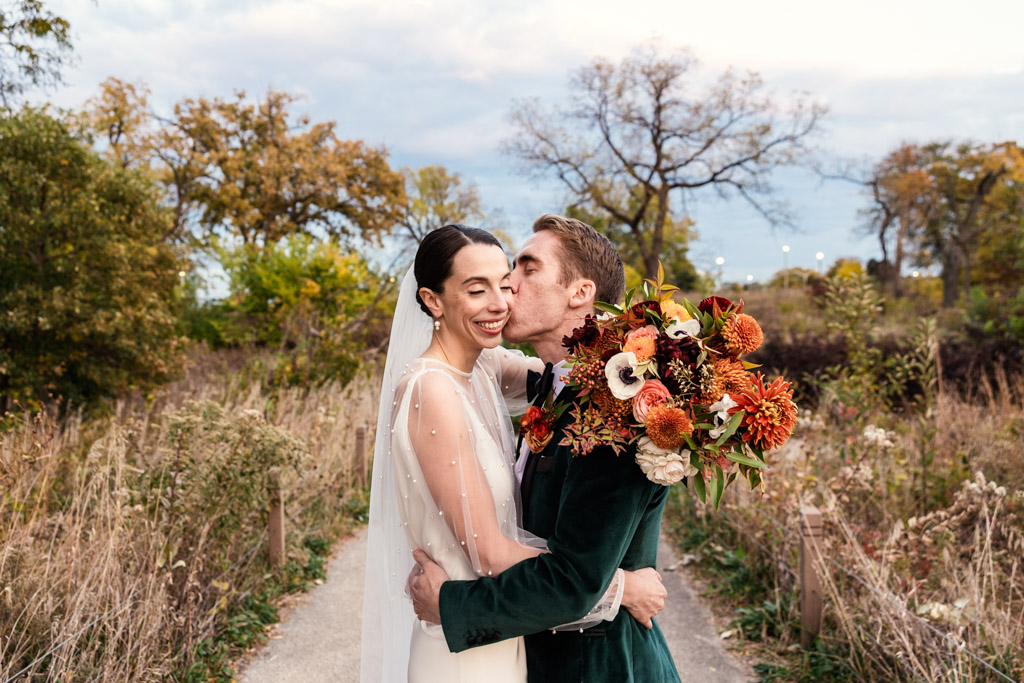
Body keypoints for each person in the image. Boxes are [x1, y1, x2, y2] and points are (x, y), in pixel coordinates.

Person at [360, 224, 666, 683]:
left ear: (581, 292)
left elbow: (559, 369)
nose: (505, 297)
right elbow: (490, 553)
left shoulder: (610, 408)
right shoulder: (439, 385)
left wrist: (662, 366)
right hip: (476, 654)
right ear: (432, 300)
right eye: (481, 287)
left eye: (514, 276)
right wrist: (621, 588)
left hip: (588, 660)